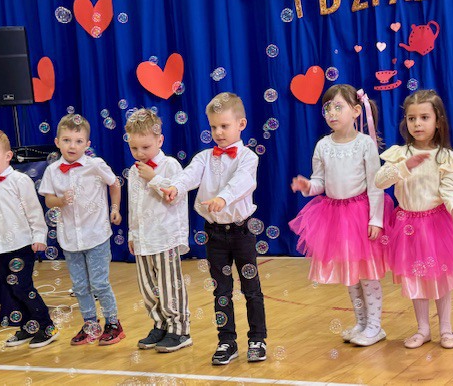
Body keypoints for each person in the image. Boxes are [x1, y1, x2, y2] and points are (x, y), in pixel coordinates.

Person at [161, 92, 267, 365]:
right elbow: (188, 175)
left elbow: (243, 181)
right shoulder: (204, 157)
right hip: (214, 233)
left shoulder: (247, 157)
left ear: (241, 124)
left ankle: (257, 339)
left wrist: (223, 198)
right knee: (221, 291)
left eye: (224, 126)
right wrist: (175, 187)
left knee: (251, 288)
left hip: (242, 232)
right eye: (213, 126)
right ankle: (227, 341)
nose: (218, 132)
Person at [289, 84, 393, 347]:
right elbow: (319, 182)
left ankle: (375, 326)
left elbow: (376, 184)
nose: (332, 113)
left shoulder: (365, 144)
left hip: (360, 215)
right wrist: (307, 186)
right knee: (350, 274)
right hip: (335, 217)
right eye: (327, 108)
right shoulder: (323, 145)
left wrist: (376, 219)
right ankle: (361, 322)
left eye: (338, 107)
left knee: (367, 274)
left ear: (356, 110)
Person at [375, 89, 453, 349]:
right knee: (415, 278)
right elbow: (380, 181)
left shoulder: (445, 157)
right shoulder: (399, 154)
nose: (417, 124)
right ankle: (423, 329)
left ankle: (446, 329)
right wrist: (404, 166)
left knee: (440, 278)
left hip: (436, 226)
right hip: (407, 225)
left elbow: (449, 190)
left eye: (424, 117)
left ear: (438, 121)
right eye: (411, 118)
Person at [38, 114, 124, 346]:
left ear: (87, 144)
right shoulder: (52, 170)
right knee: (79, 286)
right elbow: (48, 200)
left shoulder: (95, 165)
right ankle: (90, 324)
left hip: (96, 235)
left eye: (78, 141)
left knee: (99, 283)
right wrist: (60, 201)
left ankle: (113, 323)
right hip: (70, 238)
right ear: (57, 142)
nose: (72, 146)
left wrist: (115, 208)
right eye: (67, 140)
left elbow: (114, 184)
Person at [0, 128, 58, 348]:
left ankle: (46, 326)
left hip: (21, 245)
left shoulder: (19, 181)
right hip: (0, 248)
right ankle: (28, 326)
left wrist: (39, 236)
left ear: (8, 156)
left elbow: (34, 211)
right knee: (11, 290)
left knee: (23, 287)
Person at [124, 108, 192, 353]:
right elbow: (133, 205)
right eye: (134, 148)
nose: (140, 153)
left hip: (165, 237)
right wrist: (132, 233)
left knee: (169, 285)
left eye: (146, 147)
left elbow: (175, 196)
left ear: (160, 140)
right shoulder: (134, 171)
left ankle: (179, 329)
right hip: (143, 239)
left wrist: (153, 178)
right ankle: (160, 324)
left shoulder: (170, 165)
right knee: (148, 287)